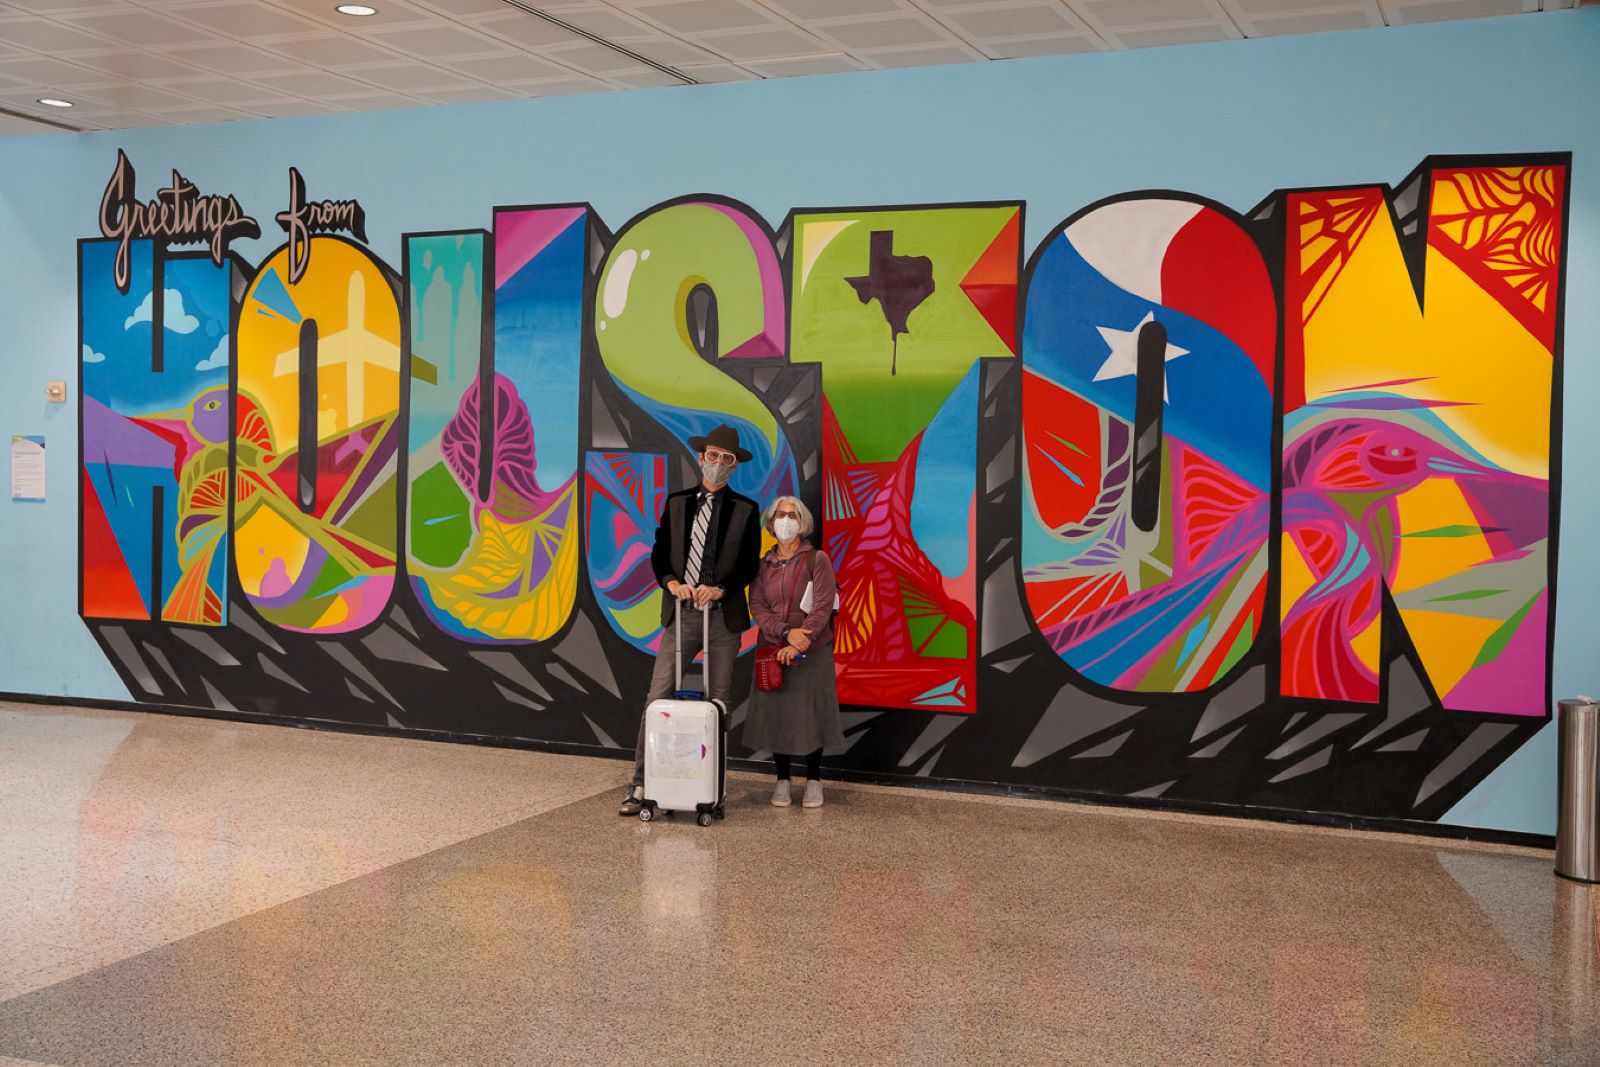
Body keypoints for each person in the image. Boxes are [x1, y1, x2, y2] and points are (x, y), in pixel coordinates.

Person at [619, 424, 761, 817]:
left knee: (718, 703)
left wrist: (722, 589)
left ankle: (711, 787)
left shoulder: (746, 510)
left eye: (726, 460)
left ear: (734, 467)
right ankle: (641, 783)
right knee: (658, 698)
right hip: (681, 616)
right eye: (712, 456)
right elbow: (660, 553)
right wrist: (671, 582)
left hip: (722, 620)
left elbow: (749, 564)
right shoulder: (678, 503)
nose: (718, 464)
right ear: (701, 457)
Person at [743, 496, 845, 809]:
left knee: (812, 712)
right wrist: (785, 634)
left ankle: (814, 779)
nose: (786, 520)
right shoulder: (764, 564)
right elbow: (757, 606)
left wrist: (802, 639)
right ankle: (783, 780)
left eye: (793, 514)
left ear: (803, 522)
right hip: (774, 648)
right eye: (780, 515)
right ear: (771, 523)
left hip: (812, 650)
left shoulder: (818, 559)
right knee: (779, 715)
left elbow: (824, 604)